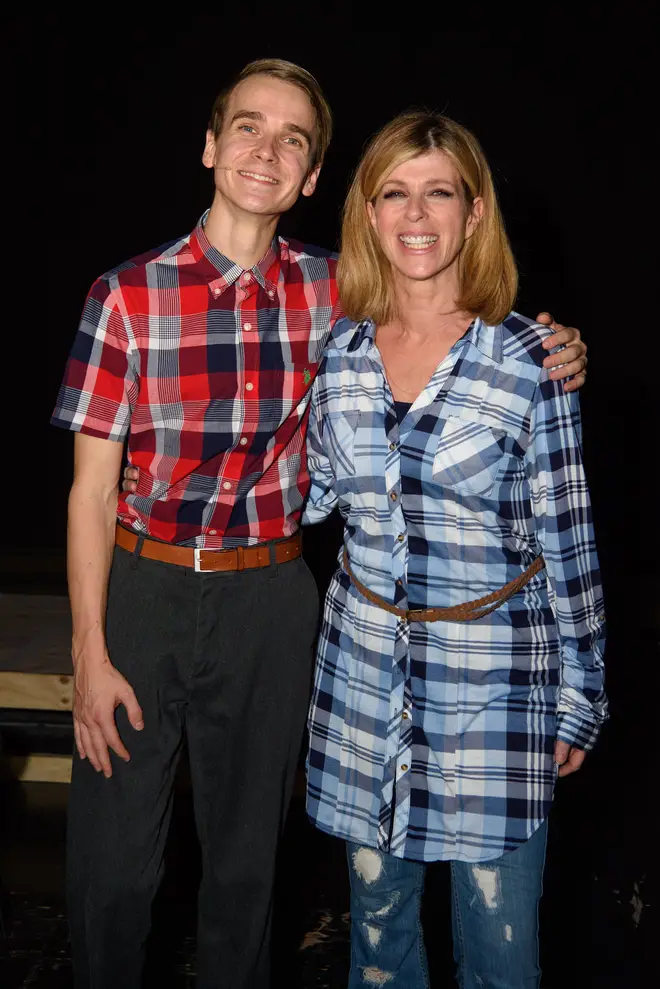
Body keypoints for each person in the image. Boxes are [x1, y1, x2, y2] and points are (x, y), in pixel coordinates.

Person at [52, 57, 586, 988]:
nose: (267, 149)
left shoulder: (339, 292)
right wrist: (89, 650)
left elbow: (438, 306)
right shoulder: (126, 296)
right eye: (248, 127)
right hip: (145, 584)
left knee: (249, 871)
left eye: (293, 139)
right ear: (212, 146)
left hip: (273, 596)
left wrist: (553, 345)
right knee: (110, 876)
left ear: (310, 177)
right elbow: (89, 492)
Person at [302, 111, 606, 989]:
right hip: (362, 681)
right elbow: (315, 493)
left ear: (475, 213)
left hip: (496, 694)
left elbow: (569, 539)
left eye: (439, 191)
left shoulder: (530, 361)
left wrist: (580, 695)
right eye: (393, 191)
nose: (416, 213)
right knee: (378, 947)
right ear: (366, 212)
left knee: (501, 956)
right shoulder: (343, 355)